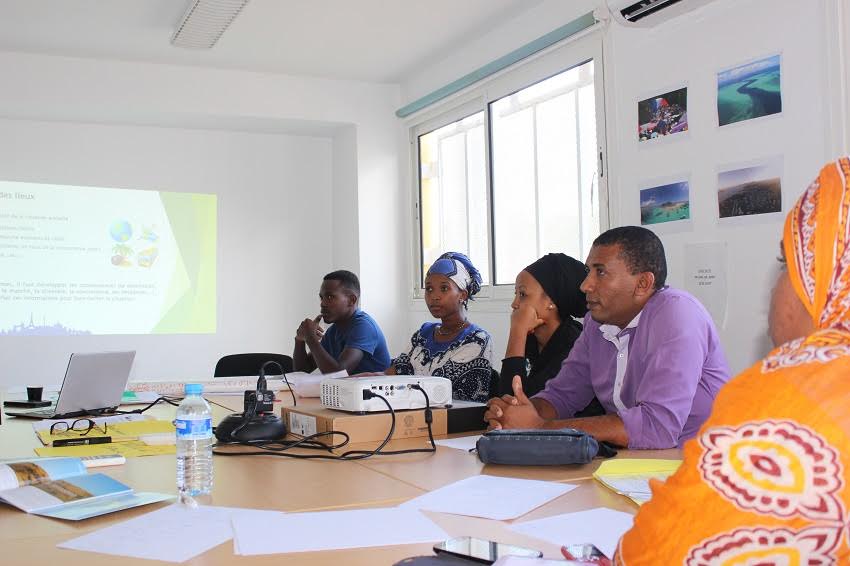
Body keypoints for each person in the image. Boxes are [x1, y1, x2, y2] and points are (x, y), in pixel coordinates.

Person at [615, 159, 850, 562]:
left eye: (785, 265)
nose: (774, 288)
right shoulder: (597, 322)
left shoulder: (791, 399)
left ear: (822, 279)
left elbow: (653, 552)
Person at [485, 226, 730, 449]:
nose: (585, 285)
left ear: (643, 283)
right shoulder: (596, 323)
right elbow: (562, 396)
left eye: (600, 272)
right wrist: (517, 413)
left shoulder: (677, 313)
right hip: (638, 464)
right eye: (588, 271)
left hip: (707, 461)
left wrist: (540, 428)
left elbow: (657, 427)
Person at [500, 253, 602, 417]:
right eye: (515, 294)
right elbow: (503, 402)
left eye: (523, 294)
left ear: (551, 302)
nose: (514, 304)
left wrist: (517, 332)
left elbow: (519, 408)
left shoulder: (573, 346)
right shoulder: (532, 340)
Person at [389, 252, 493, 403]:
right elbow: (397, 371)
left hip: (452, 416)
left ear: (462, 295)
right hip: (412, 410)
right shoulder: (423, 333)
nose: (434, 296)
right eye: (429, 289)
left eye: (444, 288)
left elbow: (460, 399)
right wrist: (366, 378)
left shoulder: (476, 339)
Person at [292, 270, 390, 375]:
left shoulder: (364, 326)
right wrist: (300, 339)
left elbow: (339, 373)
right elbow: (302, 372)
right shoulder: (333, 331)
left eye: (330, 297)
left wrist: (310, 338)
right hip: (350, 386)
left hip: (377, 386)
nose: (322, 303)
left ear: (351, 300)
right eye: (321, 297)